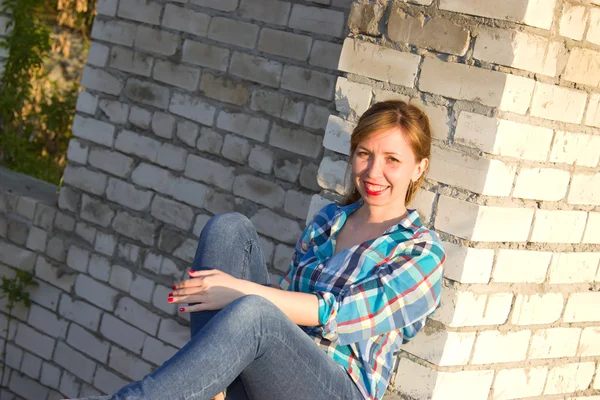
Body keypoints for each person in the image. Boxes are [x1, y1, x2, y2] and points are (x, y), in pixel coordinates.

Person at [87, 100, 445, 400]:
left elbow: (338, 315)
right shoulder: (329, 221)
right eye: (364, 154)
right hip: (271, 376)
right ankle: (216, 388)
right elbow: (287, 302)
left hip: (337, 387)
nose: (373, 171)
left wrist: (241, 290)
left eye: (392, 160)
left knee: (256, 312)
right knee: (229, 230)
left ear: (419, 168)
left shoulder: (421, 252)